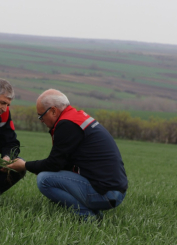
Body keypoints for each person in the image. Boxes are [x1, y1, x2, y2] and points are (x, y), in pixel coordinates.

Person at [8, 89, 128, 221]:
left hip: (107, 194)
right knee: (52, 178)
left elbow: (54, 164)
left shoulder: (67, 124)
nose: (41, 121)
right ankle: (94, 215)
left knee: (44, 179)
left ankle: (88, 217)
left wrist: (24, 165)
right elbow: (64, 163)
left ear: (53, 111)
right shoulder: (76, 118)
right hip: (113, 190)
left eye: (41, 116)